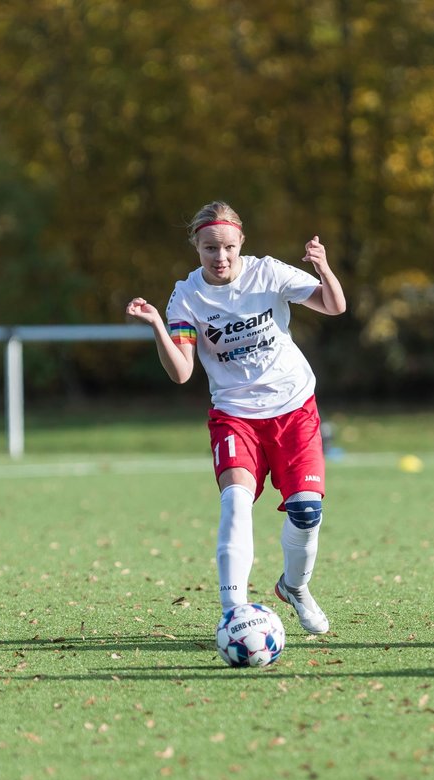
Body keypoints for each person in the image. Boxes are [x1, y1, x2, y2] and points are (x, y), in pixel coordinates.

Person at [125, 201, 347, 634]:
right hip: (235, 416)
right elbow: (183, 371)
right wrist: (156, 324)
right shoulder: (187, 295)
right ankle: (234, 610)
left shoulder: (268, 272)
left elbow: (333, 306)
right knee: (236, 501)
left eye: (228, 247)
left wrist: (324, 267)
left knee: (306, 512)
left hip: (294, 407)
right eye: (210, 248)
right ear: (196, 246)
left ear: (241, 242)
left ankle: (295, 587)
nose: (220, 257)